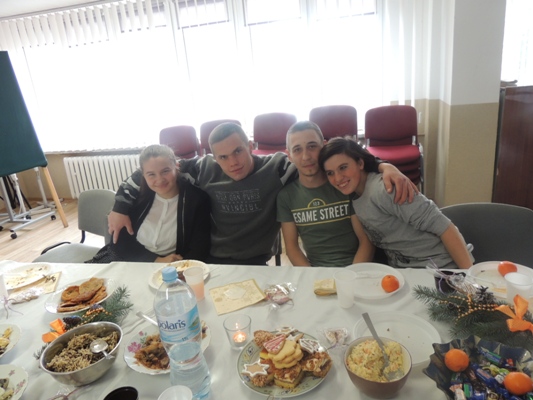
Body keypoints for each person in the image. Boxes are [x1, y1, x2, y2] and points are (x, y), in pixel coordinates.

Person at [108, 123, 416, 265]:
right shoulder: (203, 168)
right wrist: (121, 204)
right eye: (223, 156)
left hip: (256, 260)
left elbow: (333, 157)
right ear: (213, 156)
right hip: (212, 259)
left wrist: (383, 165)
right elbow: (154, 169)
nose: (233, 162)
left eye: (238, 151)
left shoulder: (278, 166)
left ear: (250, 145)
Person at [318, 136, 474, 269]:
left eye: (343, 167)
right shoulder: (354, 196)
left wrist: (470, 278)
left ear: (360, 163)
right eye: (330, 173)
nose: (337, 178)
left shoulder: (385, 190)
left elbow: (445, 227)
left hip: (440, 267)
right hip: (406, 271)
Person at [87, 144, 211, 263]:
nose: (159, 179)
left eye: (165, 171)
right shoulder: (133, 198)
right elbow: (119, 243)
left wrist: (179, 267)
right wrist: (156, 260)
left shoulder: (197, 200)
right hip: (124, 259)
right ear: (143, 174)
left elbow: (200, 247)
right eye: (151, 174)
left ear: (177, 167)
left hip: (172, 267)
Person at [277, 121, 375, 267]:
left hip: (356, 268)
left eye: (312, 146)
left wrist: (352, 275)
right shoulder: (286, 196)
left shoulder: (344, 185)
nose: (306, 156)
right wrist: (312, 276)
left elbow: (366, 241)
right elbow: (292, 249)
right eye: (297, 149)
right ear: (289, 155)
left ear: (324, 146)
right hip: (315, 271)